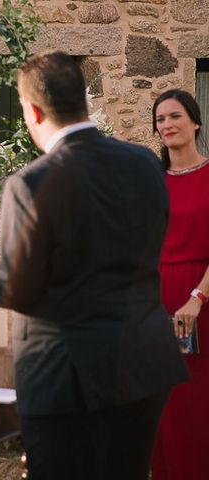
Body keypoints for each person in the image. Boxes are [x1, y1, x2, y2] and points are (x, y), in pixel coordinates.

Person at [0, 50, 189, 480]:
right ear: (84, 100)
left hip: (67, 377)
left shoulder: (33, 181)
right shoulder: (144, 165)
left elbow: (17, 290)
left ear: (33, 111)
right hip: (142, 365)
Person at [151, 89, 209, 480]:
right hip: (154, 304)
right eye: (160, 120)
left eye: (174, 116)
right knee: (162, 411)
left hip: (200, 300)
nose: (167, 125)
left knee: (197, 408)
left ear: (195, 122)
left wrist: (198, 297)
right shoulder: (150, 182)